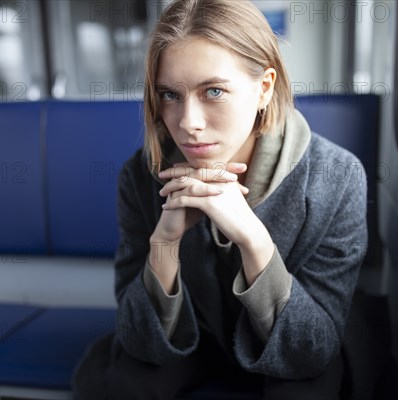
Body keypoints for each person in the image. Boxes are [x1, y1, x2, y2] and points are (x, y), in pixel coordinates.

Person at [73, 0, 367, 399]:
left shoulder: (337, 178)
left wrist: (254, 242)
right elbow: (139, 339)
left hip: (287, 341)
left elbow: (310, 350)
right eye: (170, 95)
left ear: (264, 88)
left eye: (213, 91)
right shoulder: (141, 178)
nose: (188, 122)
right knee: (129, 384)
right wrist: (164, 246)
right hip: (195, 340)